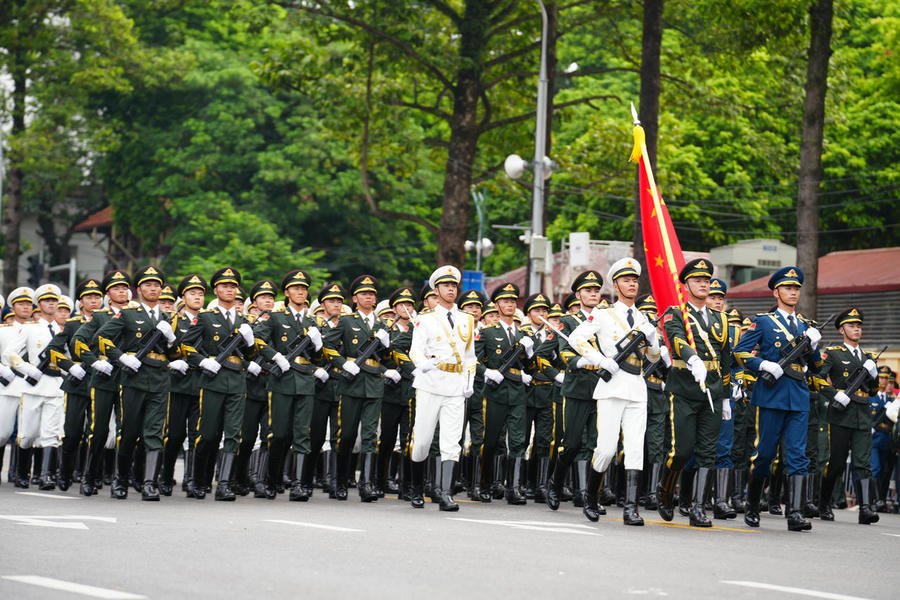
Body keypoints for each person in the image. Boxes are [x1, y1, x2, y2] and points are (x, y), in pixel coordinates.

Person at [568, 258, 661, 526]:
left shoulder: (644, 318)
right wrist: (600, 360)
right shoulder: (603, 314)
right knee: (607, 449)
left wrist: (653, 340)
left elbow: (653, 357)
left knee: (634, 449)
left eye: (635, 280)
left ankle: (631, 508)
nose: (632, 284)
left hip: (637, 387)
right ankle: (590, 497)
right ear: (615, 285)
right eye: (626, 280)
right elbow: (576, 339)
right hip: (611, 387)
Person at [733, 266, 823, 531]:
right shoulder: (763, 321)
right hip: (771, 395)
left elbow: (817, 367)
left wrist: (813, 346)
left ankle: (794, 513)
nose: (793, 292)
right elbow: (740, 352)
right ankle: (752, 504)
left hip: (798, 395)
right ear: (776, 292)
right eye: (787, 288)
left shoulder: (807, 326)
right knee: (765, 454)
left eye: (796, 288)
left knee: (797, 455)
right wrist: (763, 365)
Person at [657, 259, 732, 528]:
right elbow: (676, 339)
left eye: (706, 280)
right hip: (685, 389)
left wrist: (725, 396)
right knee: (682, 451)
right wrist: (692, 358)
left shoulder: (721, 319)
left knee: (708, 453)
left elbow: (725, 359)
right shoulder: (676, 313)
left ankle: (698, 508)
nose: (703, 284)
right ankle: (665, 490)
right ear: (686, 285)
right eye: (697, 280)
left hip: (712, 391)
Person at [95, 266, 175, 500]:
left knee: (155, 432)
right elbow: (101, 338)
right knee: (129, 432)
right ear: (139, 290)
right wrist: (121, 358)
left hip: (159, 379)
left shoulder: (168, 317)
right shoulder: (128, 314)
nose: (153, 289)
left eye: (157, 285)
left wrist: (171, 340)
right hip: (134, 378)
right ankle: (120, 480)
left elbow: (176, 353)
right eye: (148, 285)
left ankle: (150, 484)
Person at [181, 267, 258, 501]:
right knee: (207, 434)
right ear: (216, 290)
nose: (229, 290)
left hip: (236, 381)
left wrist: (250, 341)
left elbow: (251, 355)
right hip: (213, 380)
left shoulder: (244, 320)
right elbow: (185, 345)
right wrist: (203, 361)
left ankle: (224, 484)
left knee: (233, 434)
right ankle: (199, 479)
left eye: (233, 286)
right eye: (224, 286)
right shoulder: (206, 317)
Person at [253, 270, 326, 501]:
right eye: (296, 288)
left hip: (305, 381)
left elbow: (318, 358)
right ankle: (272, 480)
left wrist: (318, 344)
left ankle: (299, 485)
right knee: (278, 434)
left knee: (302, 434)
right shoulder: (275, 317)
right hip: (282, 380)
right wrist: (275, 356)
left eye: (304, 289)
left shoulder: (313, 322)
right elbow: (257, 340)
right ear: (287, 292)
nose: (301, 292)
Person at [408, 266, 477, 510]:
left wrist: (469, 381)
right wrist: (422, 364)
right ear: (435, 290)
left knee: (451, 443)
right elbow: (415, 350)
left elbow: (470, 356)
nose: (451, 289)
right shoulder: (425, 319)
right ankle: (417, 488)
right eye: (446, 285)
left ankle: (446, 494)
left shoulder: (467, 319)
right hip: (430, 383)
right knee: (422, 441)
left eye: (454, 285)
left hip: (456, 385)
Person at [323, 275, 394, 502]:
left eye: (372, 294)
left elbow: (387, 358)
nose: (368, 297)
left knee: (370, 436)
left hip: (374, 384)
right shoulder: (346, 321)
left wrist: (386, 345)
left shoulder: (382, 325)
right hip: (351, 384)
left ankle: (366, 484)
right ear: (355, 298)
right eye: (364, 294)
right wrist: (343, 363)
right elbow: (327, 345)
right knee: (347, 435)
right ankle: (340, 481)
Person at [546, 271, 605, 512]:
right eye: (588, 291)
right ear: (578, 295)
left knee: (596, 444)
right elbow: (563, 350)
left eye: (596, 290)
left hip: (602, 387)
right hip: (578, 387)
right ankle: (555, 483)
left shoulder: (606, 320)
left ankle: (587, 494)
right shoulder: (569, 321)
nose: (593, 294)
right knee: (571, 444)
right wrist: (579, 361)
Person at [816, 307, 880, 524]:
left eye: (859, 326)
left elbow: (873, 390)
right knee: (836, 462)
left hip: (863, 414)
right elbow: (818, 378)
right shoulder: (833, 353)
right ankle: (824, 503)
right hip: (840, 414)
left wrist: (873, 374)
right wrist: (835, 394)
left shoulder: (868, 357)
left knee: (863, 463)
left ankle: (866, 508)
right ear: (842, 330)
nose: (857, 329)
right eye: (852, 326)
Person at [74, 269, 132, 496]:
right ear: (108, 293)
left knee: (125, 431)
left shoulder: (136, 314)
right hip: (104, 379)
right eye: (116, 288)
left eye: (124, 287)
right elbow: (78, 341)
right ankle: (89, 476)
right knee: (98, 431)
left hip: (129, 378)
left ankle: (119, 480)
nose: (122, 291)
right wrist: (94, 362)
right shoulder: (99, 317)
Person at [479, 282, 535, 505]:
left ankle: (514, 488)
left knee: (518, 441)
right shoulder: (487, 333)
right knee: (492, 440)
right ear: (496, 305)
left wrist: (529, 352)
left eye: (512, 301)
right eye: (505, 301)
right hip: (496, 392)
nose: (510, 305)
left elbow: (530, 368)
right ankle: (486, 484)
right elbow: (474, 360)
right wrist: (487, 372)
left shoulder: (523, 334)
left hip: (518, 393)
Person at [45, 279, 103, 491]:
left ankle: (90, 476)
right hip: (77, 382)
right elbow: (52, 350)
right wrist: (70, 366)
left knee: (96, 433)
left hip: (101, 381)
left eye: (97, 297)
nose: (94, 301)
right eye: (89, 297)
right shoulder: (72, 324)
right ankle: (65, 472)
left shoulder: (110, 321)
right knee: (72, 432)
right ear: (81, 302)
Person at [6, 285, 66, 490]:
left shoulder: (63, 330)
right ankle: (22, 473)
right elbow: (10, 353)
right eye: (47, 301)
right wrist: (27, 369)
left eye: (54, 301)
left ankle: (47, 475)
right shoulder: (29, 328)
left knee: (51, 433)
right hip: (33, 386)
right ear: (39, 305)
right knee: (28, 435)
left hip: (55, 386)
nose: (51, 304)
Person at [160, 274, 208, 496]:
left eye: (200, 294)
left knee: (197, 435)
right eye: (192, 293)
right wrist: (171, 361)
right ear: (183, 297)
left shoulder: (209, 321)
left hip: (201, 382)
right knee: (175, 434)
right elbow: (161, 350)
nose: (197, 297)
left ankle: (192, 479)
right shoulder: (173, 321)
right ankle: (166, 476)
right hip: (177, 384)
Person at [378, 286, 417, 498]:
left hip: (411, 389)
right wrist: (386, 370)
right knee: (386, 439)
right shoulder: (386, 330)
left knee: (408, 440)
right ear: (394, 309)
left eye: (410, 304)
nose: (406, 308)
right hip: (391, 390)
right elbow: (378, 357)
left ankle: (406, 485)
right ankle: (380, 480)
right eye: (402, 305)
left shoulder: (418, 329)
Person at [0, 287, 37, 487]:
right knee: (2, 433)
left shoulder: (39, 330)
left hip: (32, 386)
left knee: (27, 432)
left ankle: (22, 474)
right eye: (21, 304)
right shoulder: (3, 331)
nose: (25, 307)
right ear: (12, 308)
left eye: (29, 304)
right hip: (8, 386)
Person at [872, 366, 896, 511]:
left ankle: (880, 499)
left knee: (884, 471)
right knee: (875, 468)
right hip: (874, 438)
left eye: (886, 378)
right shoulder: (871, 397)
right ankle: (876, 500)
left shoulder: (892, 400)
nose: (883, 381)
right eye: (881, 377)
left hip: (886, 439)